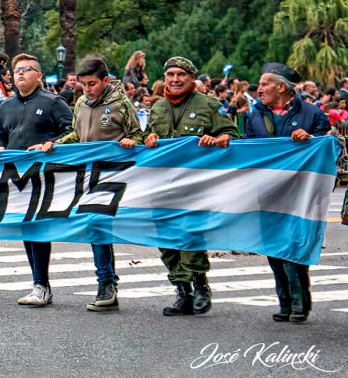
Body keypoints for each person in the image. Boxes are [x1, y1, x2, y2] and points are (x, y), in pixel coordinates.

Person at [40, 58, 143, 312]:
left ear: (105, 81)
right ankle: (106, 283)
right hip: (89, 176)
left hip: (116, 176)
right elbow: (77, 134)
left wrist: (131, 141)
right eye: (84, 84)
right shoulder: (82, 105)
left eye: (92, 84)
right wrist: (57, 143)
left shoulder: (121, 105)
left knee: (100, 228)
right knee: (96, 229)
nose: (87, 89)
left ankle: (108, 282)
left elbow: (137, 134)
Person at [143, 57, 238, 316]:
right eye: (170, 74)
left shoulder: (209, 105)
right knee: (166, 238)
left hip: (195, 185)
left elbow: (232, 134)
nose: (175, 79)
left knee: (189, 234)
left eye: (181, 75)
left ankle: (200, 285)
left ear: (191, 78)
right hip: (161, 185)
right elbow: (147, 136)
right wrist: (147, 137)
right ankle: (182, 290)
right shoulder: (158, 107)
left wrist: (219, 138)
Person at [242, 63, 332, 323]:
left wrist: (312, 139)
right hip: (266, 191)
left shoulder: (311, 114)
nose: (259, 89)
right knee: (272, 247)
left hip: (299, 193)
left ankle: (299, 304)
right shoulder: (255, 115)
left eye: (265, 83)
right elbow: (248, 146)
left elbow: (330, 145)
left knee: (292, 247)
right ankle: (284, 303)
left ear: (281, 87)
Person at [0, 54, 75, 307]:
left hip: (44, 175)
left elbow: (72, 131)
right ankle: (38, 283)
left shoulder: (53, 102)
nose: (19, 74)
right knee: (27, 229)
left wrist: (51, 144)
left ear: (38, 76)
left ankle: (41, 285)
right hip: (15, 179)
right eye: (16, 70)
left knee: (38, 228)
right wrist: (0, 148)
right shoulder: (6, 105)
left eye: (26, 69)